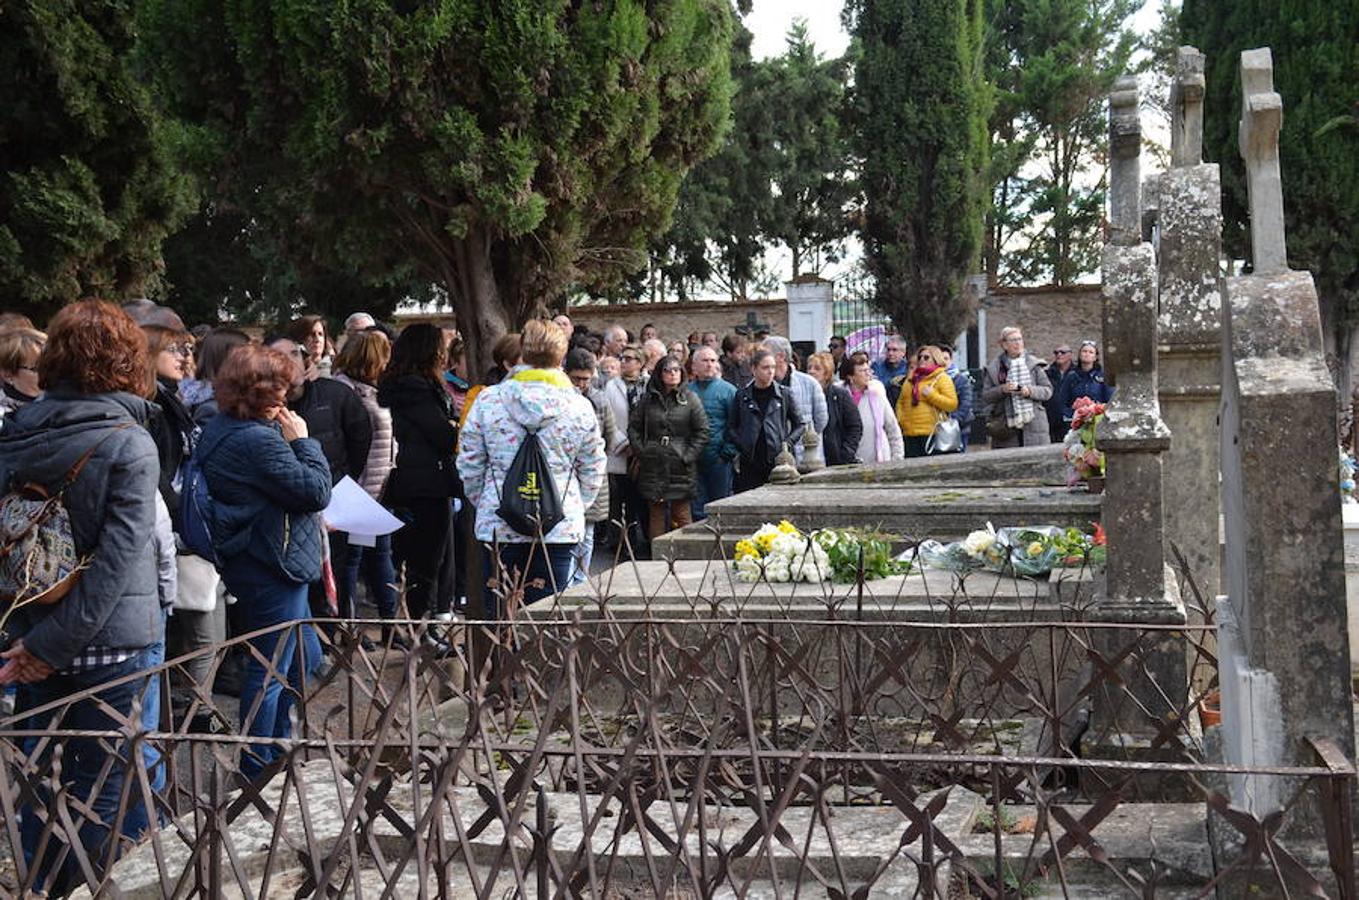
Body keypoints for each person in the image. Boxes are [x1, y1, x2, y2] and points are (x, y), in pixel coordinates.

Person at [0, 301, 165, 893]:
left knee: (36, 782)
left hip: (31, 632)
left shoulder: (16, 430)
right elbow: (117, 565)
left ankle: (41, 885)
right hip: (110, 644)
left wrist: (34, 644)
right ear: (128, 362)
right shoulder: (130, 443)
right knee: (105, 791)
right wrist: (50, 647)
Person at [196, 343, 330, 779]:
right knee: (269, 671)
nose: (287, 397)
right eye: (281, 389)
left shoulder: (224, 426)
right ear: (261, 392)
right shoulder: (255, 440)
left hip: (262, 557)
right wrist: (304, 442)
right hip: (273, 564)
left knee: (297, 661)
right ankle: (258, 769)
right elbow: (315, 491)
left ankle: (278, 752)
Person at [457, 320, 606, 608]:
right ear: (561, 357)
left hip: (499, 522)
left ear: (523, 353)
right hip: (558, 526)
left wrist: (489, 500)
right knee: (548, 619)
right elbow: (593, 466)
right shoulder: (578, 405)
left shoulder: (490, 400)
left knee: (501, 614)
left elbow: (470, 463)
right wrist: (573, 504)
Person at [378, 324, 459, 622]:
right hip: (425, 480)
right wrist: (454, 428)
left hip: (426, 478)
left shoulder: (412, 385)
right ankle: (423, 624)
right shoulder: (416, 388)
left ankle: (432, 619)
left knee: (435, 555)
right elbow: (442, 434)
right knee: (428, 558)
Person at [332, 331, 401, 637]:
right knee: (353, 559)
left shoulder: (375, 391)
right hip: (358, 491)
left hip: (379, 489)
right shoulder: (346, 391)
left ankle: (390, 623)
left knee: (379, 556)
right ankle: (350, 626)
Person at [629, 354, 709, 538]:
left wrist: (687, 456)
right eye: (667, 370)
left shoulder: (690, 399)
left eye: (676, 370)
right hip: (653, 463)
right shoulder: (648, 400)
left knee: (682, 514)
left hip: (680, 465)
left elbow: (702, 431)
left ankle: (684, 559)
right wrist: (643, 451)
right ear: (660, 374)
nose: (672, 374)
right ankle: (657, 558)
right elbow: (634, 428)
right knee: (656, 514)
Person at [564, 348, 615, 583]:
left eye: (586, 379)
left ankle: (581, 578)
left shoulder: (600, 401)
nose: (582, 384)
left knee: (587, 532)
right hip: (565, 473)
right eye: (577, 378)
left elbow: (609, 437)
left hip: (592, 474)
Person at [726, 348, 804, 493]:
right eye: (765, 367)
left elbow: (800, 424)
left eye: (773, 367)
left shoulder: (784, 394)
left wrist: (787, 443)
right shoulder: (742, 396)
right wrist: (742, 444)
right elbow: (731, 426)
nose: (770, 372)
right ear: (754, 369)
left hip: (777, 459)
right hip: (750, 461)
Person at [602, 344, 649, 551]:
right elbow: (608, 416)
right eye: (622, 358)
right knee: (621, 498)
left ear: (640, 363)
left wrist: (640, 444)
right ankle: (622, 542)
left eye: (629, 359)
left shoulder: (648, 385)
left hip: (644, 450)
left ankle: (645, 540)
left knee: (642, 499)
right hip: (621, 448)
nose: (624, 362)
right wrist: (624, 443)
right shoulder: (612, 386)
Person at [981, 327, 1053, 448]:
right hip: (1006, 428)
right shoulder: (995, 368)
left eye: (1019, 339)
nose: (1018, 343)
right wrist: (1002, 389)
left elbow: (1047, 390)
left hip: (1034, 426)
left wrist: (1030, 391)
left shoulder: (1034, 364)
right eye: (1013, 340)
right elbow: (986, 396)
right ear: (1004, 344)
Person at [687, 346, 738, 519]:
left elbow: (736, 424)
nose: (710, 365)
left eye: (713, 360)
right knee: (697, 510)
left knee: (720, 508)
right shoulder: (686, 392)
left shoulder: (729, 391)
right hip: (693, 460)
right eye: (705, 361)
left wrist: (727, 453)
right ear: (694, 366)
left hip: (719, 460)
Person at [762, 335, 827, 465]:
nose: (761, 358)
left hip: (806, 456)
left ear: (780, 357)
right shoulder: (761, 384)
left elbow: (821, 420)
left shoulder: (809, 383)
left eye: (766, 354)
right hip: (773, 457)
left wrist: (805, 440)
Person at [895, 345, 960, 457]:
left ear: (936, 359)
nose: (921, 360)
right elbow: (901, 403)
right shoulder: (911, 380)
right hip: (909, 433)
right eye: (920, 357)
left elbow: (952, 404)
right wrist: (901, 421)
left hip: (932, 433)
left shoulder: (942, 378)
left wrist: (932, 395)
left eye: (926, 357)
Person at [843, 354, 904, 463]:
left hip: (879, 457)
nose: (868, 374)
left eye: (868, 370)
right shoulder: (841, 396)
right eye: (862, 371)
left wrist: (897, 458)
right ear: (851, 377)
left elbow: (892, 427)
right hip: (850, 458)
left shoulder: (877, 393)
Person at [808, 351, 862, 466]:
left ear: (827, 373)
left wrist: (846, 453)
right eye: (809, 368)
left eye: (817, 368)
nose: (811, 371)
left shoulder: (840, 395)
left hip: (834, 459)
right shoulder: (804, 395)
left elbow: (855, 426)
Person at [1058, 340, 1113, 427]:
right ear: (1079, 355)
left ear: (1095, 357)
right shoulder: (1071, 376)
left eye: (1091, 352)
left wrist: (1096, 411)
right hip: (1075, 421)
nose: (1087, 354)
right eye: (1084, 351)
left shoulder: (1103, 377)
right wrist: (1072, 415)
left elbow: (1110, 400)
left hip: (1097, 421)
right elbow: (1062, 400)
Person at [0, 327, 46, 418]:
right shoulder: (5, 420)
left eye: (53, 366)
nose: (51, 374)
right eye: (37, 369)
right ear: (7, 375)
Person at [938, 344, 975, 450]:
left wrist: (953, 420)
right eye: (941, 359)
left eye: (946, 358)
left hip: (959, 427)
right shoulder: (932, 380)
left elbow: (966, 402)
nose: (944, 362)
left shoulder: (961, 380)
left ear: (951, 360)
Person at [1044, 345, 1074, 442]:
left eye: (1062, 352)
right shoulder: (1047, 373)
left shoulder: (1078, 373)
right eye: (1056, 353)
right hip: (1051, 420)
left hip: (1071, 420)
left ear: (1070, 355)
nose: (1059, 355)